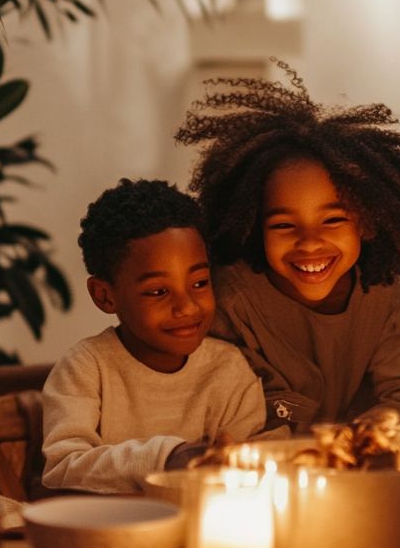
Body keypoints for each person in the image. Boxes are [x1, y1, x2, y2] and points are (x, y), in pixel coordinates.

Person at [175, 62, 400, 430]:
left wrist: (380, 424)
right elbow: (233, 414)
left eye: (333, 220)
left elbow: (399, 395)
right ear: (250, 226)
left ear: (368, 220)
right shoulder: (232, 300)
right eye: (282, 224)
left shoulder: (383, 293)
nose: (309, 242)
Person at [41, 179, 275, 493]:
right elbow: (62, 468)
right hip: (112, 535)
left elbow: (251, 467)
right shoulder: (85, 368)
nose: (187, 306)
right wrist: (167, 458)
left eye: (200, 283)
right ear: (105, 296)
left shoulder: (229, 370)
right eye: (158, 291)